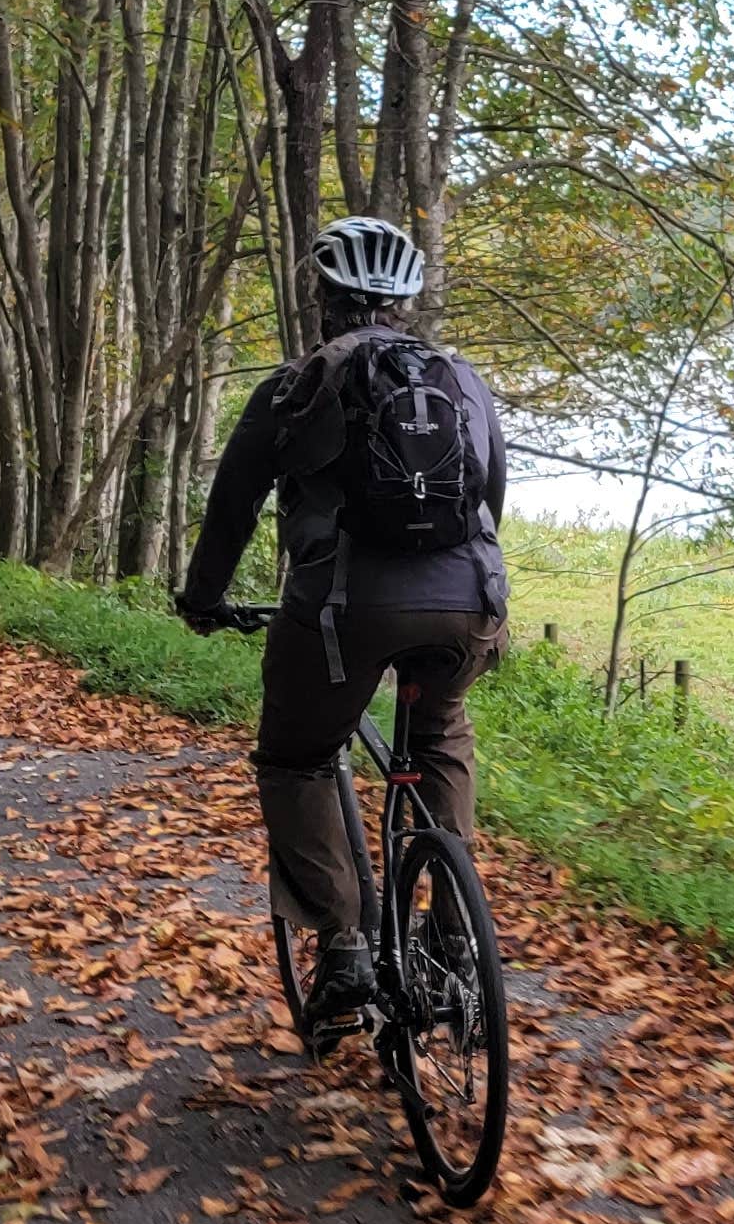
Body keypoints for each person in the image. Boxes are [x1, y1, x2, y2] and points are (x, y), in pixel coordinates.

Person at [178, 217, 508, 1043]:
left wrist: (203, 599)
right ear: (405, 301)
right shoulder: (462, 381)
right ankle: (455, 934)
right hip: (469, 600)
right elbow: (490, 495)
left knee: (295, 756)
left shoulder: (296, 383)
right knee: (439, 729)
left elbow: (233, 510)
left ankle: (347, 946)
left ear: (322, 300)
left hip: (343, 614)